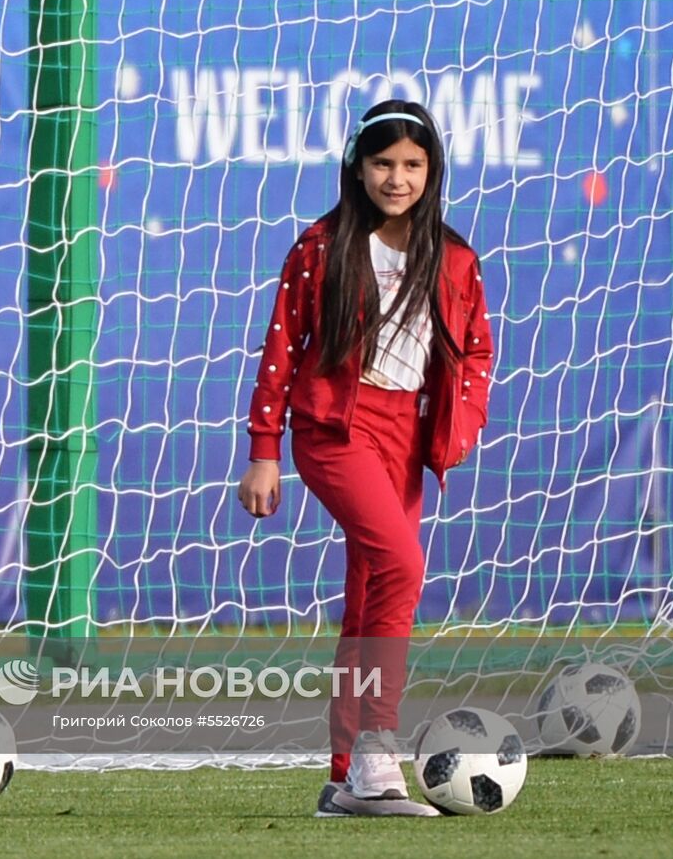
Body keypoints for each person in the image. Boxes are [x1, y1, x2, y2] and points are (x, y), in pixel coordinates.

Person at [236, 100, 494, 818]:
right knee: (403, 567)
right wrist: (264, 452)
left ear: (432, 171)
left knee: (368, 600)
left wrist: (457, 424)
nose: (396, 177)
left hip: (405, 438)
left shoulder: (454, 256)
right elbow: (280, 349)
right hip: (333, 431)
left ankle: (344, 773)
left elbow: (475, 347)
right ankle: (378, 756)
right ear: (356, 166)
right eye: (382, 162)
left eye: (412, 164)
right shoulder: (319, 248)